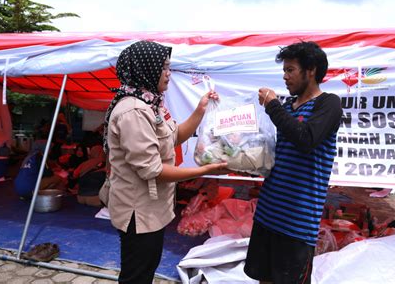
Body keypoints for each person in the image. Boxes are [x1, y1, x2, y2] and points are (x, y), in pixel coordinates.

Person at [103, 40, 229, 284]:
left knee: (145, 268)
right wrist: (204, 170)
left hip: (152, 208)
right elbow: (152, 169)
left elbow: (174, 137)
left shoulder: (151, 104)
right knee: (136, 275)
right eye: (164, 68)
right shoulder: (133, 111)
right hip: (137, 211)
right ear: (146, 69)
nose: (168, 73)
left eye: (168, 67)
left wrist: (200, 109)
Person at [244, 41, 343, 284]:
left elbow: (305, 139)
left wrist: (272, 106)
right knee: (264, 279)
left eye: (290, 70)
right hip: (268, 213)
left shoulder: (328, 104)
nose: (285, 76)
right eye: (284, 70)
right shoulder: (288, 107)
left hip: (297, 224)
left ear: (311, 70)